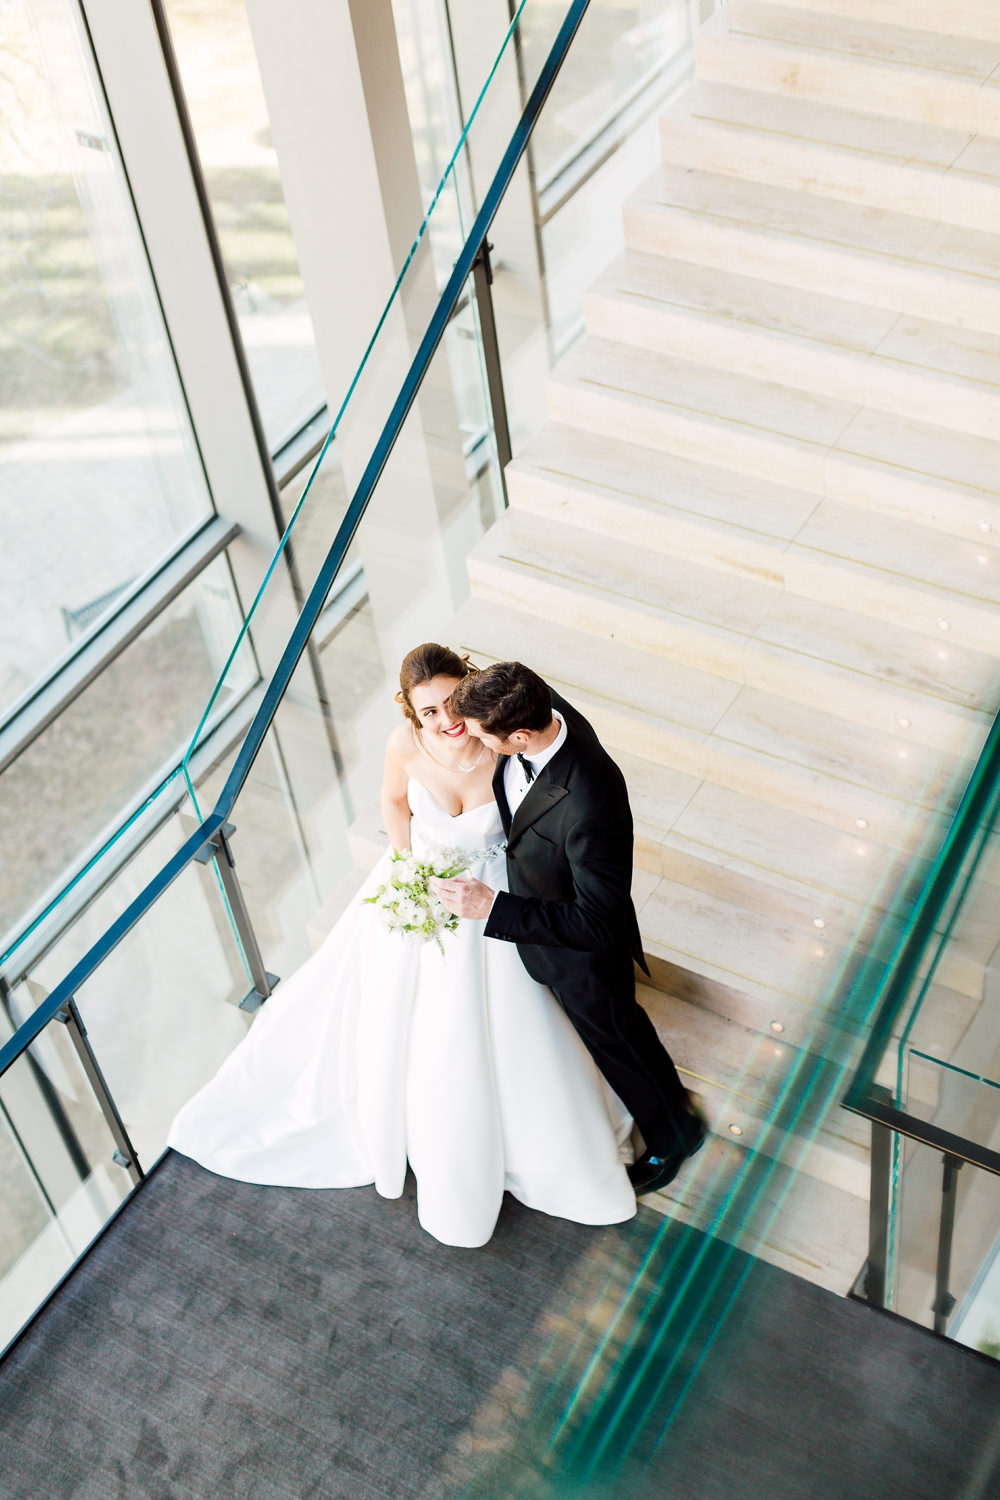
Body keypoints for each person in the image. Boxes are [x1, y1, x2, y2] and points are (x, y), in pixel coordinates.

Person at [167, 643, 636, 1248]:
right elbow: (393, 804)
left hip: (494, 894)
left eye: (451, 703)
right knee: (408, 1023)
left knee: (509, 1024)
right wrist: (410, 868)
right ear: (411, 714)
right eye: (428, 712)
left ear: (470, 686)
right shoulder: (403, 746)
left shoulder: (503, 751)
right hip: (420, 888)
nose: (446, 721)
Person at [435, 661, 705, 1195]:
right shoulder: (531, 699)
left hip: (582, 956)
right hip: (544, 907)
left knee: (619, 1039)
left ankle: (676, 1133)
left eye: (483, 735)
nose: (474, 739)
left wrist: (496, 906)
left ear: (518, 736)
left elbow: (598, 920)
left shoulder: (589, 802)